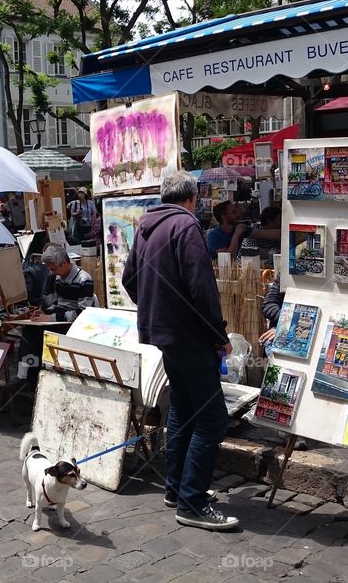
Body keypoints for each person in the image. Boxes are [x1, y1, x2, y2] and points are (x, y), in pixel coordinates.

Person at [121, 170, 238, 531]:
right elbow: (201, 287)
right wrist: (218, 334)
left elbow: (128, 279)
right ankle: (191, 501)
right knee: (212, 417)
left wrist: (156, 310)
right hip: (188, 337)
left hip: (165, 335)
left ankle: (177, 488)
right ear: (192, 198)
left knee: (184, 409)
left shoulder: (146, 228)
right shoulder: (185, 227)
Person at [30, 245, 96, 324]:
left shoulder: (84, 280)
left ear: (64, 262)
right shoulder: (58, 278)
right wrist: (45, 312)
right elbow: (59, 302)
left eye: (54, 269)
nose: (53, 272)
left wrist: (51, 318)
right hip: (62, 317)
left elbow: (82, 313)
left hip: (75, 322)